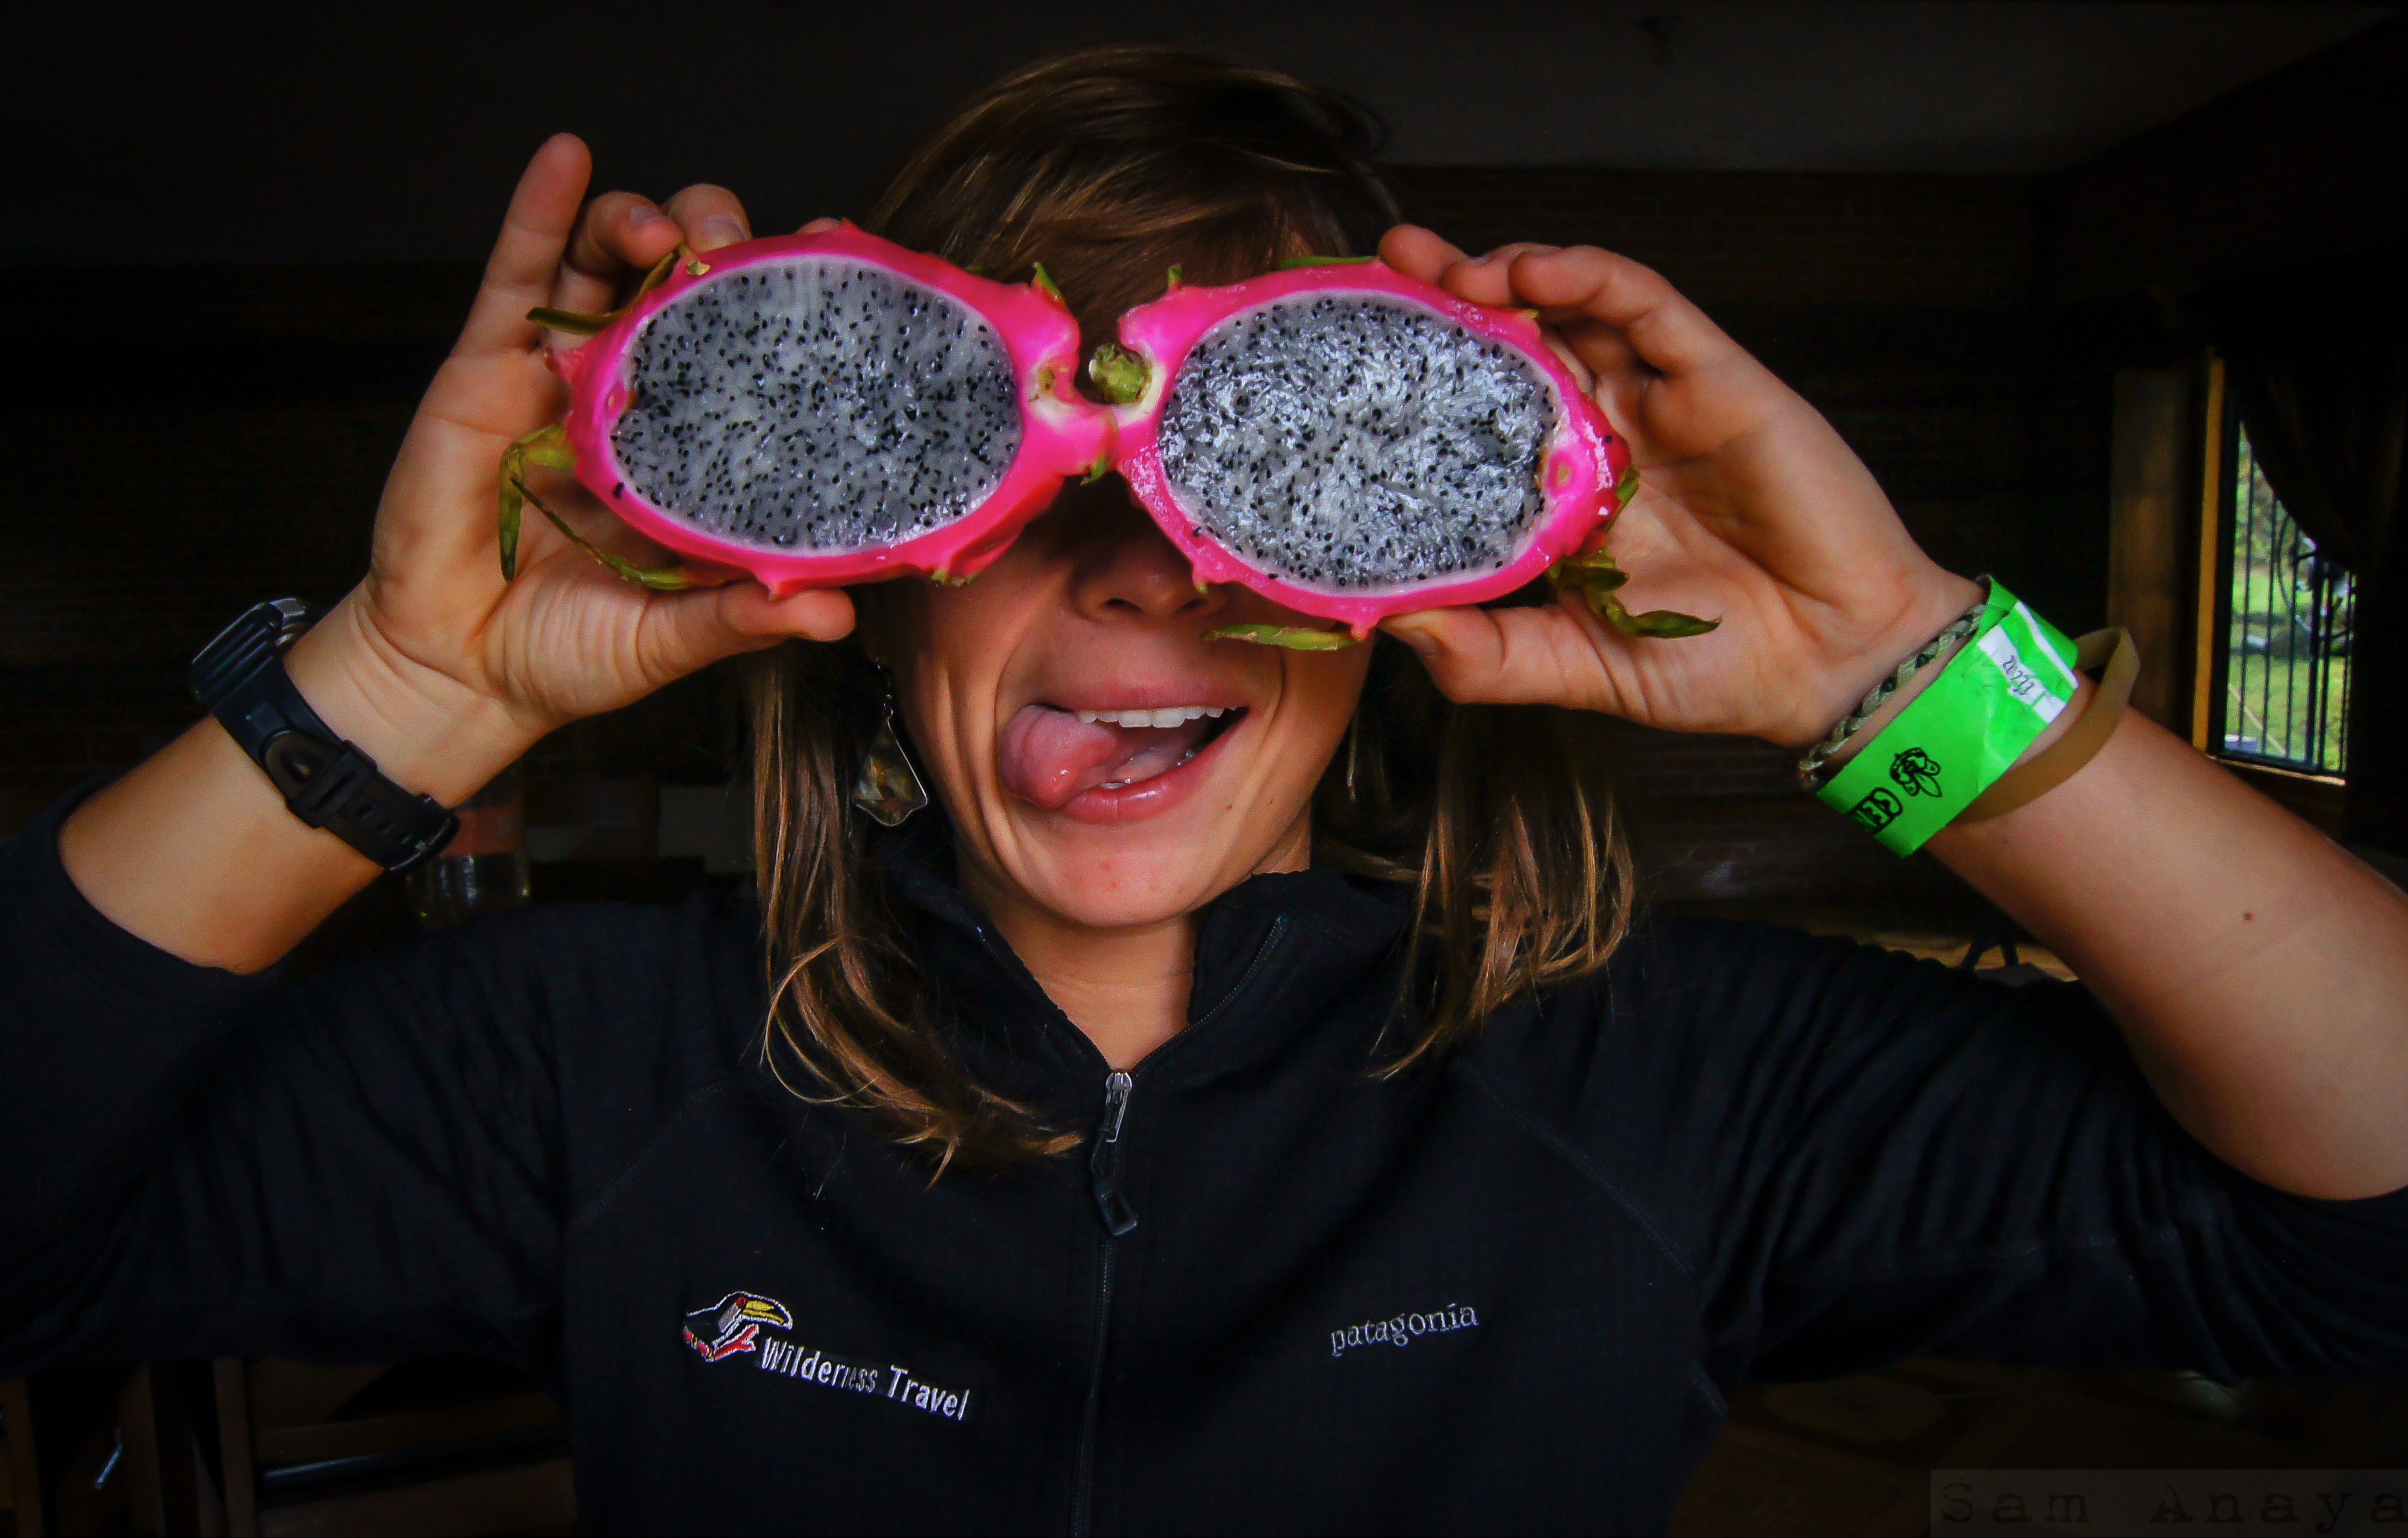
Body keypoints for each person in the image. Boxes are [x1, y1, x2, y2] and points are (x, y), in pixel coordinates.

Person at [5, 46, 2405, 1537]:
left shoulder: (1671, 1081)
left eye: (1284, 474)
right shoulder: (586, 1061)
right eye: (1006, 466)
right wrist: (406, 680)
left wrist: (1898, 666)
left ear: (1387, 604)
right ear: (880, 571)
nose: (1139, 577)